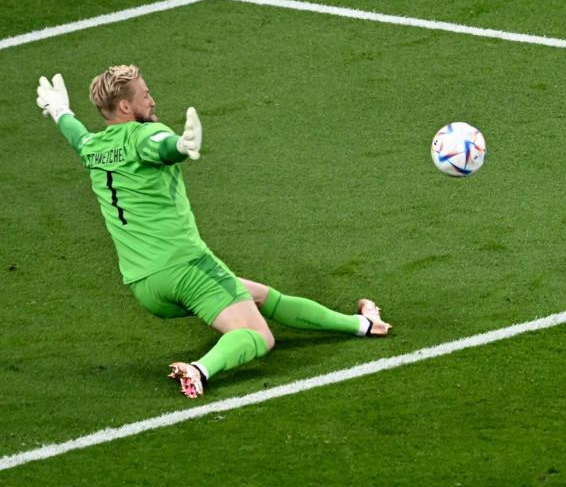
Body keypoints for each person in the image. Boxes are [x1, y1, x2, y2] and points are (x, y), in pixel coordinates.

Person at [35, 65, 391, 399]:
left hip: (144, 285)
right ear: (126, 106)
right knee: (258, 336)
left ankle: (362, 325)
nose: (153, 100)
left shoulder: (94, 148)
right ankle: (199, 370)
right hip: (186, 266)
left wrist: (58, 111)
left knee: (260, 295)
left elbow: (76, 136)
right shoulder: (146, 133)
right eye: (146, 95)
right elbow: (157, 147)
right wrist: (179, 146)